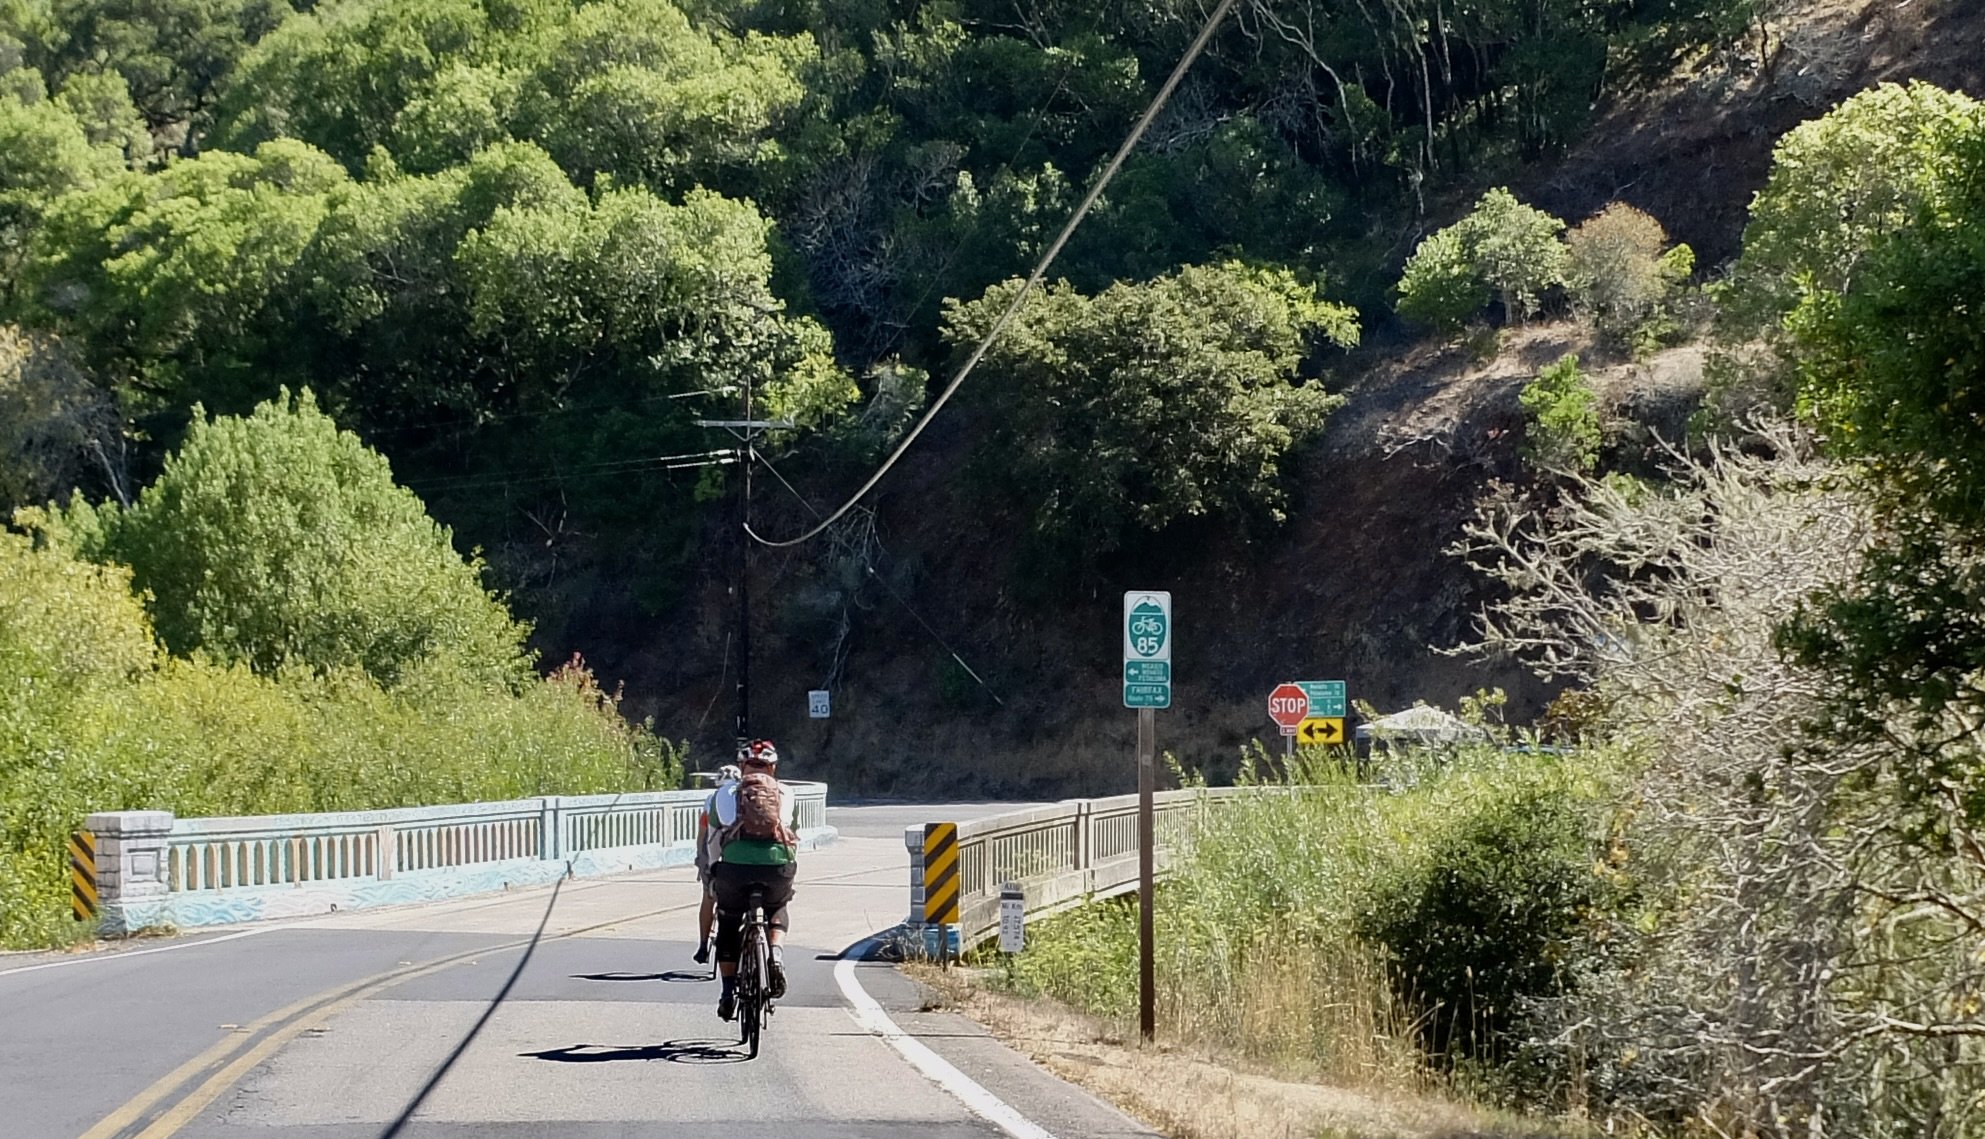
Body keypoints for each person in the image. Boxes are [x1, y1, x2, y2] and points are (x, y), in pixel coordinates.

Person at [703, 738, 799, 1021]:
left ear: (741, 766)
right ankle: (776, 956)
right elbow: (793, 835)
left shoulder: (725, 794)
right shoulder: (785, 792)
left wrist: (713, 869)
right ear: (774, 767)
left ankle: (728, 991)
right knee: (778, 907)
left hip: (735, 868)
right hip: (777, 865)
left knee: (729, 922)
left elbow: (713, 840)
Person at [692, 762, 742, 965]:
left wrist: (701, 858)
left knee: (708, 897)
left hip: (713, 852)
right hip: (737, 855)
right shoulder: (743, 795)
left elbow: (703, 834)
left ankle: (703, 945)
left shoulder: (712, 799)